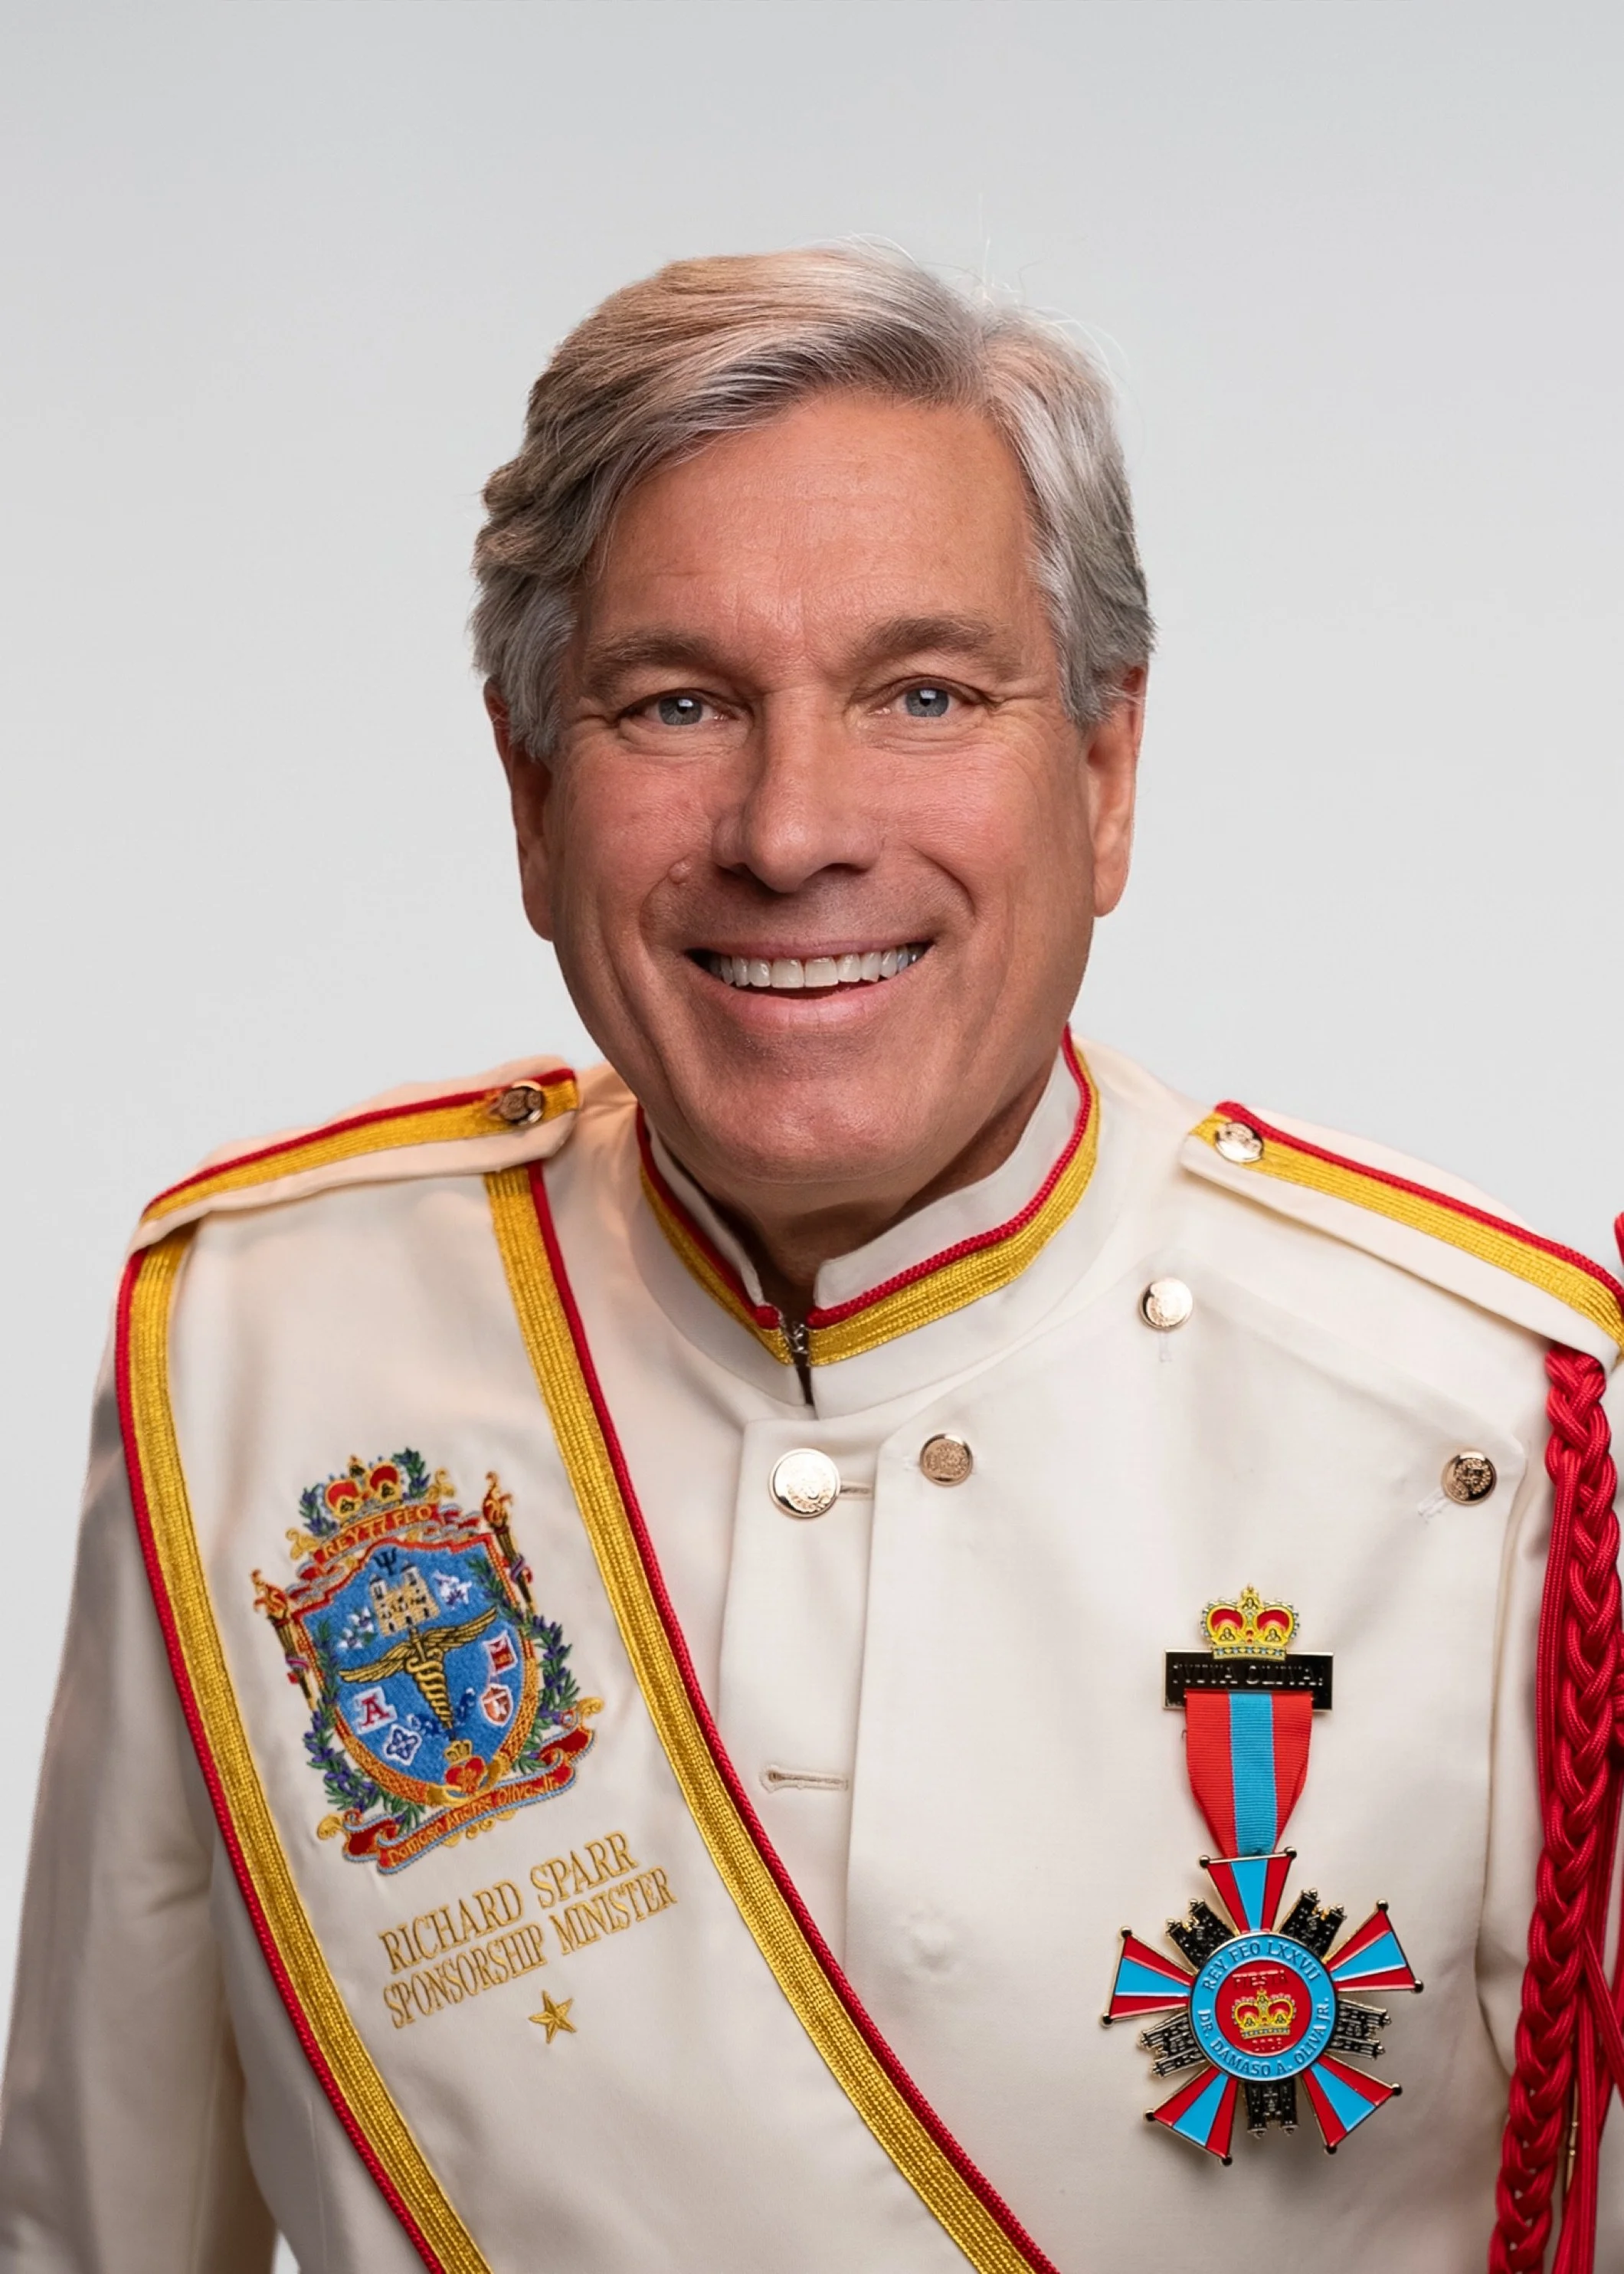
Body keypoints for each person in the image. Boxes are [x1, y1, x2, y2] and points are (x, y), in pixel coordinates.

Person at [0, 244, 1618, 2274]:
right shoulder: (255, 1355)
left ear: (1105, 777)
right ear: (527, 796)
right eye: (677, 704)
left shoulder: (1508, 1430)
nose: (792, 829)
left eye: (924, 695)